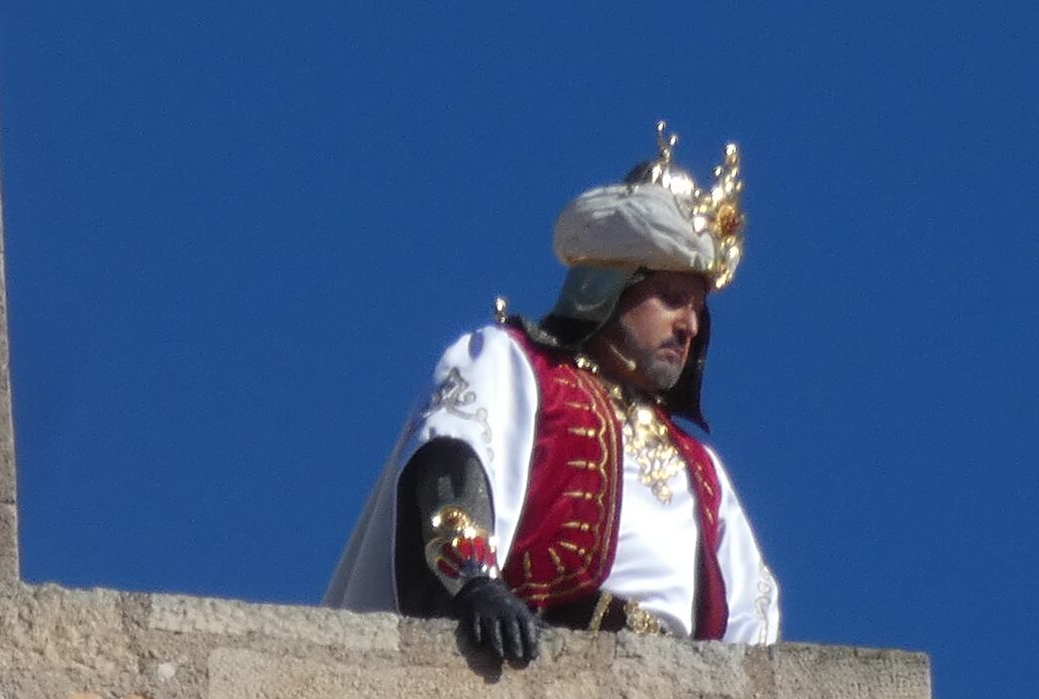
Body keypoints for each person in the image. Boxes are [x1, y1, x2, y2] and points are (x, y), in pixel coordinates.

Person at [327, 130, 785, 667]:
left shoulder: (702, 466)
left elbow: (753, 615)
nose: (689, 325)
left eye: (698, 310)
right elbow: (455, 454)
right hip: (537, 659)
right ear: (610, 288)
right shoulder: (514, 364)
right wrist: (475, 583)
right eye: (672, 299)